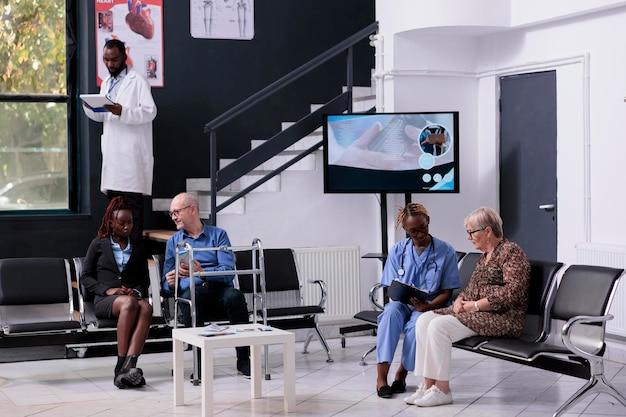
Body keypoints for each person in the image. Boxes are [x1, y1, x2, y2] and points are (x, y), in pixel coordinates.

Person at [405, 206, 531, 407]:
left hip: (504, 318)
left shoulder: (511, 252)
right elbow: (471, 288)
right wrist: (459, 301)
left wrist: (476, 305)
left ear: (487, 231)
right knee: (424, 320)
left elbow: (512, 292)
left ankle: (442, 390)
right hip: (481, 316)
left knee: (439, 326)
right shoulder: (484, 258)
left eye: (471, 232)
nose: (468, 237)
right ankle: (428, 385)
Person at [375, 203, 461, 398]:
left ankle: (401, 374)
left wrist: (427, 306)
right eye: (413, 230)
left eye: (422, 227)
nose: (419, 233)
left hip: (431, 304)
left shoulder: (445, 251)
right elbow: (390, 288)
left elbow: (447, 292)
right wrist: (397, 293)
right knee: (389, 315)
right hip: (402, 303)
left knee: (417, 326)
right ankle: (381, 379)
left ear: (428, 222)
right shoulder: (398, 250)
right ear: (405, 229)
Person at [161, 192, 250, 378]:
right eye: (172, 213)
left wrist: (202, 272)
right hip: (192, 292)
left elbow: (227, 272)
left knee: (236, 297)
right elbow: (166, 284)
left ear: (192, 209)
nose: (173, 217)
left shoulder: (219, 235)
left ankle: (244, 361)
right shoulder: (174, 242)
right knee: (189, 298)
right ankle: (199, 365)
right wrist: (171, 283)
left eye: (176, 212)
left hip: (219, 289)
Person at [83, 38, 157, 242]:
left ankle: (134, 260)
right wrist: (91, 108)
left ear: (124, 57)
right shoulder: (106, 83)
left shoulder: (138, 80)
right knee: (115, 214)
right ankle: (118, 257)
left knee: (132, 215)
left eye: (114, 60)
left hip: (131, 159)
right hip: (113, 159)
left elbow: (150, 112)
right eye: (106, 60)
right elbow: (103, 116)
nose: (110, 64)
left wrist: (122, 111)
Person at [80, 196, 153, 389]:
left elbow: (144, 281)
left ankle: (130, 367)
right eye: (122, 223)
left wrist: (136, 291)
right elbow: (85, 277)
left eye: (130, 222)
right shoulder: (98, 244)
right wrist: (109, 289)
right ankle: (120, 366)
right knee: (128, 303)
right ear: (111, 223)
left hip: (130, 298)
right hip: (105, 301)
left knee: (145, 307)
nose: (127, 227)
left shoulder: (137, 247)